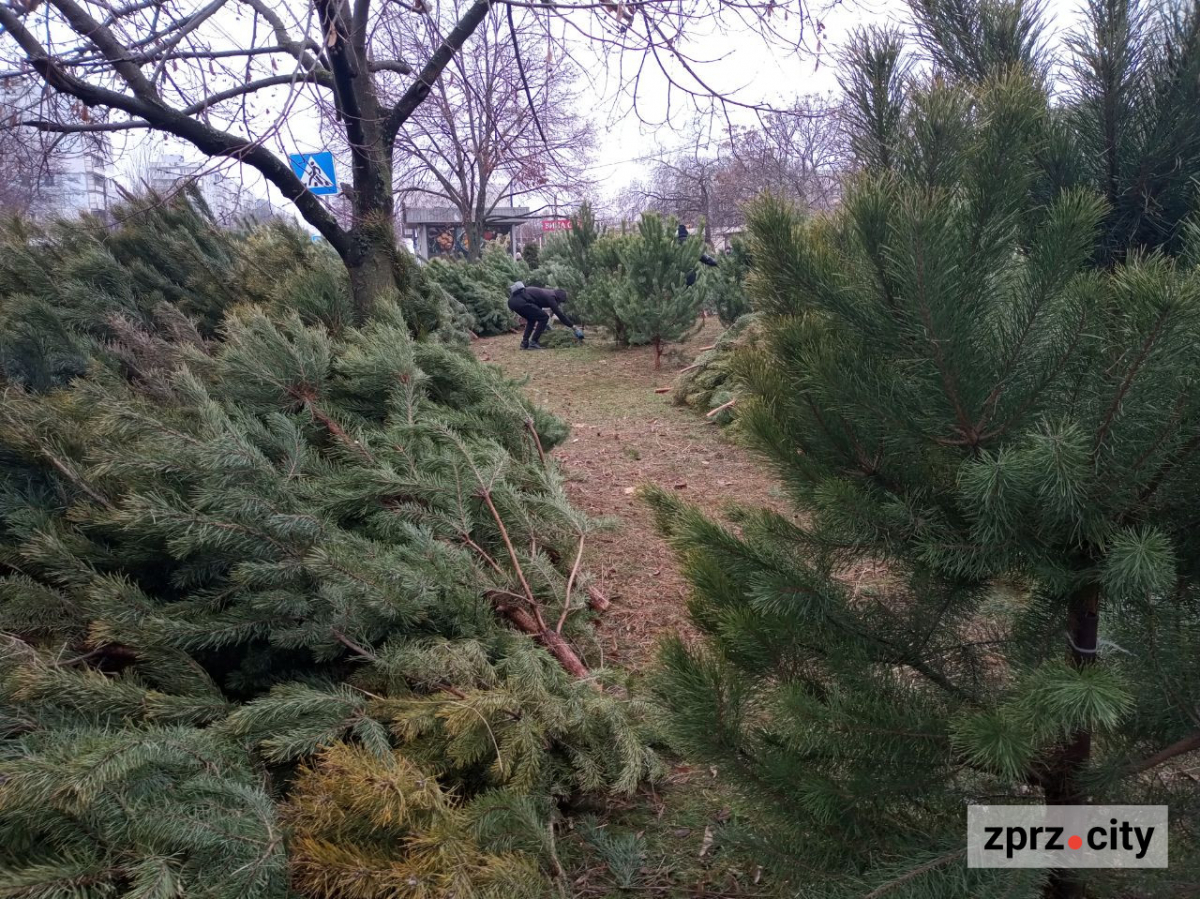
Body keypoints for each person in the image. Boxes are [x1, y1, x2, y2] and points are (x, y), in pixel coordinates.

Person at [508, 281, 585, 350]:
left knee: (531, 320)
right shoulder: (551, 297)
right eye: (561, 301)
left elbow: (536, 308)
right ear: (559, 298)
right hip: (521, 302)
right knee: (544, 317)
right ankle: (533, 342)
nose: (559, 303)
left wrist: (545, 326)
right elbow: (560, 315)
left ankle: (524, 343)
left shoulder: (545, 293)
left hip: (512, 302)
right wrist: (573, 326)